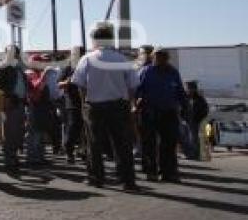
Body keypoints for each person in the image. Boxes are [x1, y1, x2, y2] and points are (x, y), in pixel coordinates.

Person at [71, 23, 139, 191]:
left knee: (94, 144)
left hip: (94, 106)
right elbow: (132, 85)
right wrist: (130, 105)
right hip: (119, 105)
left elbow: (80, 84)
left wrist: (83, 104)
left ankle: (96, 178)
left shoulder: (87, 59)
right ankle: (127, 181)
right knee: (122, 144)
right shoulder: (121, 59)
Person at [136, 48, 188, 182]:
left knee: (169, 144)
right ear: (153, 58)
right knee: (149, 144)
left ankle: (169, 172)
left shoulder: (173, 72)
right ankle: (151, 171)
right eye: (158, 57)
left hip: (169, 112)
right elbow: (135, 89)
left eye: (163, 57)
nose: (160, 60)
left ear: (167, 58)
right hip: (149, 112)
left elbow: (180, 91)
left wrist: (185, 107)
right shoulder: (145, 72)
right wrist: (135, 104)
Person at [0, 45, 28, 177]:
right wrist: (6, 97)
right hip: (10, 104)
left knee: (18, 133)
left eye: (16, 53)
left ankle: (13, 157)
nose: (15, 55)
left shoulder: (18, 68)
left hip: (20, 104)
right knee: (9, 133)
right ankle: (9, 160)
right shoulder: (3, 67)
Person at [58, 47, 85, 164]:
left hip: (88, 102)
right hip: (72, 103)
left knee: (86, 129)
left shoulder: (86, 66)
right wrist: (67, 82)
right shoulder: (68, 68)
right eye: (73, 54)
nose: (75, 56)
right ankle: (69, 151)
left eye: (78, 54)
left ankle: (83, 151)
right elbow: (59, 84)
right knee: (73, 128)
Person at [183, 81, 209, 161]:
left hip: (194, 121)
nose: (189, 90)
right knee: (185, 138)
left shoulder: (199, 99)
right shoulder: (185, 97)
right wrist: (182, 117)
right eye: (188, 88)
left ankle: (194, 154)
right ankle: (188, 153)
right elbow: (181, 107)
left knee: (193, 138)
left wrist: (198, 119)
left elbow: (205, 110)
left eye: (191, 88)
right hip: (185, 120)